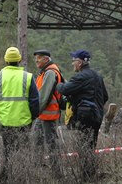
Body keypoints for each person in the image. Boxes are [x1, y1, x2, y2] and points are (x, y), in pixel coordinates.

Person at [56, 49, 108, 182]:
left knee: (83, 148)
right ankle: (91, 175)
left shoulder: (80, 77)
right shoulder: (98, 76)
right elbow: (105, 97)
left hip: (85, 117)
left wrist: (58, 83)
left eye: (73, 61)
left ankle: (85, 178)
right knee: (91, 146)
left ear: (79, 63)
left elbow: (65, 89)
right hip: (97, 116)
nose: (72, 63)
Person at [0, 47, 39, 182]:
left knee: (8, 152)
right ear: (19, 60)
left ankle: (7, 178)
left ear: (6, 60)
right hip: (24, 122)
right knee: (23, 152)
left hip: (6, 122)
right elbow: (35, 101)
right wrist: (32, 117)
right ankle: (23, 178)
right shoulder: (27, 77)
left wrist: (0, 117)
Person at [32, 49, 65, 177]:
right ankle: (39, 171)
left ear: (46, 59)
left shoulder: (50, 72)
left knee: (51, 144)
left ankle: (57, 174)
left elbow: (44, 96)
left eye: (39, 58)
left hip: (48, 115)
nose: (36, 60)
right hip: (43, 115)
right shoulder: (45, 72)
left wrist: (34, 112)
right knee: (38, 141)